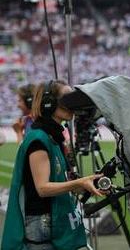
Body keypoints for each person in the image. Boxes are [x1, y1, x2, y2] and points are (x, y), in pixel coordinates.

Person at [2, 80, 105, 250]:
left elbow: (58, 180)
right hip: (41, 223)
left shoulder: (52, 137)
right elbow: (42, 188)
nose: (73, 103)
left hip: (51, 219)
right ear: (48, 104)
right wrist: (79, 182)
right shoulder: (39, 139)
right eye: (67, 97)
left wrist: (88, 183)